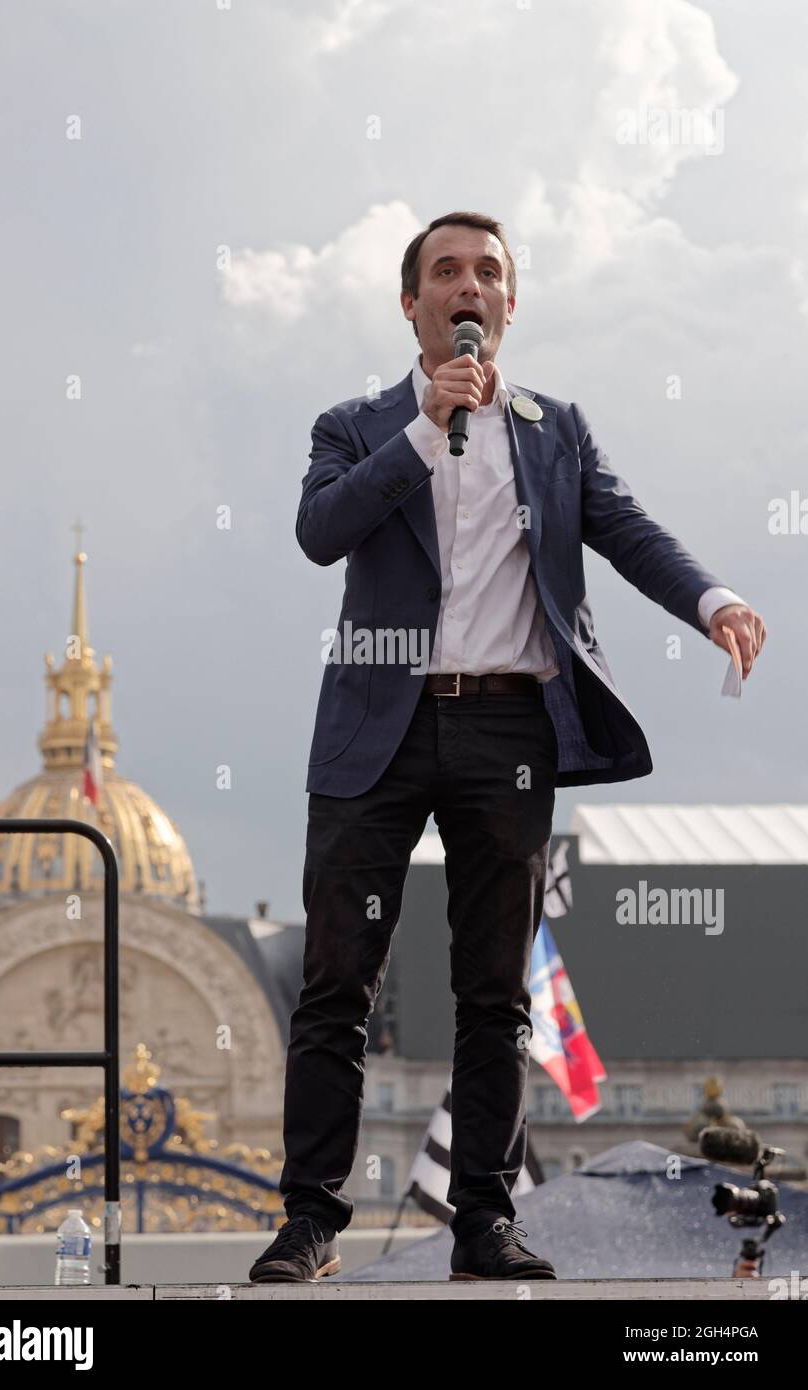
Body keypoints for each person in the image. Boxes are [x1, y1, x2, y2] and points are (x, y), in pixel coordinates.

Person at [249, 210, 767, 1284]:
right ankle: (310, 1221)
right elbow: (316, 532)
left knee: (494, 990)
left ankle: (482, 1219)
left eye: (487, 271)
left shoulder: (553, 427)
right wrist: (417, 432)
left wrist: (710, 597)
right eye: (445, 271)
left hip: (505, 727)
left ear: (508, 303)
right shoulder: (352, 423)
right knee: (338, 978)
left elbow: (625, 530)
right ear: (412, 304)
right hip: (376, 729)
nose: (466, 286)